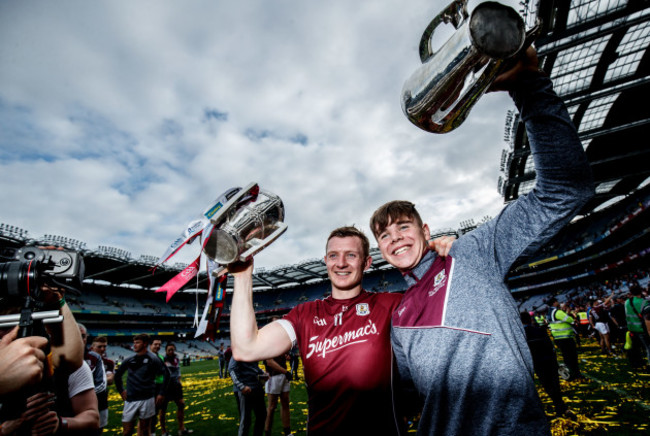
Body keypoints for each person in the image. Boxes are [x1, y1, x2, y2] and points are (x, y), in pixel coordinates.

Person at [369, 48, 594, 435]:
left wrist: (530, 87)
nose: (395, 239)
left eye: (404, 227)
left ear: (426, 232)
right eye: (385, 235)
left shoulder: (469, 253)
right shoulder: (401, 315)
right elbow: (409, 396)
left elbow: (564, 191)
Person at [227, 225, 453, 435]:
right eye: (334, 255)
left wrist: (451, 258)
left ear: (367, 263)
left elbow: (449, 308)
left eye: (351, 255)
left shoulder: (393, 305)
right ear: (325, 261)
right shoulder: (304, 314)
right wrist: (242, 274)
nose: (341, 263)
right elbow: (246, 349)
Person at [520, 311, 572, 417]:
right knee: (555, 384)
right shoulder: (540, 330)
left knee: (547, 385)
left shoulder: (522, 335)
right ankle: (560, 406)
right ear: (530, 320)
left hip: (538, 362)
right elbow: (550, 347)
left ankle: (559, 407)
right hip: (550, 360)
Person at [114, 334, 166, 436]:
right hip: (130, 400)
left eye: (137, 343)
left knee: (145, 430)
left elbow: (166, 375)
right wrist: (121, 390)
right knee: (127, 431)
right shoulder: (129, 359)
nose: (134, 345)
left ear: (145, 344)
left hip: (147, 399)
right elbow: (117, 375)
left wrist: (161, 393)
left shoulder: (154, 359)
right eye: (134, 343)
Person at [79, 323, 109, 434]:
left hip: (98, 405)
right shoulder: (60, 356)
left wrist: (81, 395)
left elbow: (102, 384)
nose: (80, 338)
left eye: (83, 336)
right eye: (77, 334)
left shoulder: (94, 357)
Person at [159, 343, 193, 436]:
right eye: (169, 350)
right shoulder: (162, 360)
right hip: (165, 386)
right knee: (163, 409)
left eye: (172, 349)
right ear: (166, 351)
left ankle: (181, 429)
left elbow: (178, 371)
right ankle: (163, 431)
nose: (171, 351)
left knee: (181, 404)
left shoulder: (176, 358)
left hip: (176, 386)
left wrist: (179, 381)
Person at [263, 332, 293, 436]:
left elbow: (280, 357)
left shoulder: (280, 343)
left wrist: (286, 356)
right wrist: (286, 372)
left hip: (283, 376)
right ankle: (267, 433)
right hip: (273, 377)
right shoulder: (267, 343)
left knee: (285, 403)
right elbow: (270, 362)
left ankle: (287, 432)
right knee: (271, 407)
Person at [229, 357, 268, 436]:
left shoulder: (252, 350)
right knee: (246, 420)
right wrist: (241, 386)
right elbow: (231, 369)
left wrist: (263, 373)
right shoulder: (239, 350)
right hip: (245, 390)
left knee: (262, 415)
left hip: (257, 387)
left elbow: (253, 367)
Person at [548, 297, 583, 379]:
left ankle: (570, 373)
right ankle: (575, 373)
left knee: (566, 357)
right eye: (557, 301)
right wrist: (569, 316)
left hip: (558, 337)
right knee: (572, 357)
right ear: (554, 303)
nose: (558, 302)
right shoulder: (557, 312)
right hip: (566, 337)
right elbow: (570, 319)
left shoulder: (549, 312)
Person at [624, 285, 650, 369]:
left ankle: (637, 364)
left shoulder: (627, 302)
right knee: (648, 348)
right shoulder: (644, 302)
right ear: (641, 291)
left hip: (632, 329)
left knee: (635, 348)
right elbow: (647, 319)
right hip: (642, 329)